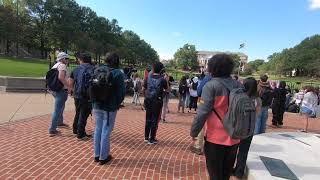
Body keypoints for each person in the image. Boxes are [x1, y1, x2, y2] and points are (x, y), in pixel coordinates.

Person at [190, 54, 243, 180]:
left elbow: (202, 113)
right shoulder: (239, 85)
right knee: (225, 174)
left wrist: (194, 131)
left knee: (215, 175)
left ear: (213, 68)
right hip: (235, 137)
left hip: (215, 139)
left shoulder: (211, 86)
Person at [92, 52, 125, 165]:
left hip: (96, 104)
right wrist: (117, 103)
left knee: (98, 129)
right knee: (106, 131)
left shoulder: (97, 70)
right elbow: (121, 93)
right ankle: (103, 157)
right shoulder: (117, 73)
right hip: (109, 107)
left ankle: (96, 155)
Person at [233, 77, 261, 179]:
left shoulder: (240, 97)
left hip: (238, 127)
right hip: (249, 128)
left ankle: (230, 168)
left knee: (233, 149)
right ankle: (239, 172)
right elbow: (257, 114)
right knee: (244, 151)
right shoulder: (257, 100)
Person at [69, 53, 94, 140]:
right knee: (84, 115)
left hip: (77, 95)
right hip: (87, 96)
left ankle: (75, 130)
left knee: (78, 112)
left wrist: (72, 91)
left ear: (81, 60)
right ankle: (80, 134)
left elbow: (70, 83)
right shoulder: (93, 69)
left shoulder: (76, 69)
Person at [144, 62, 168, 145]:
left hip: (148, 100)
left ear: (153, 68)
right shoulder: (162, 79)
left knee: (148, 118)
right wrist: (167, 80)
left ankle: (146, 137)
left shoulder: (148, 77)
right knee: (155, 119)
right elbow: (167, 90)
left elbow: (144, 88)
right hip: (157, 101)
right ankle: (152, 138)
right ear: (161, 70)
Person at [190, 73, 212, 155]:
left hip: (205, 102)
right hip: (221, 108)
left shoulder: (208, 78)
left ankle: (198, 146)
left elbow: (199, 91)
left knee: (201, 124)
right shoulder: (229, 80)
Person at [49, 52, 70, 137]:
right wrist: (69, 87)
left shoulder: (55, 65)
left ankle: (60, 122)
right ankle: (52, 129)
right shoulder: (62, 65)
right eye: (67, 59)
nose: (68, 60)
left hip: (54, 89)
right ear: (63, 59)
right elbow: (61, 77)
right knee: (57, 109)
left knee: (61, 107)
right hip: (61, 90)